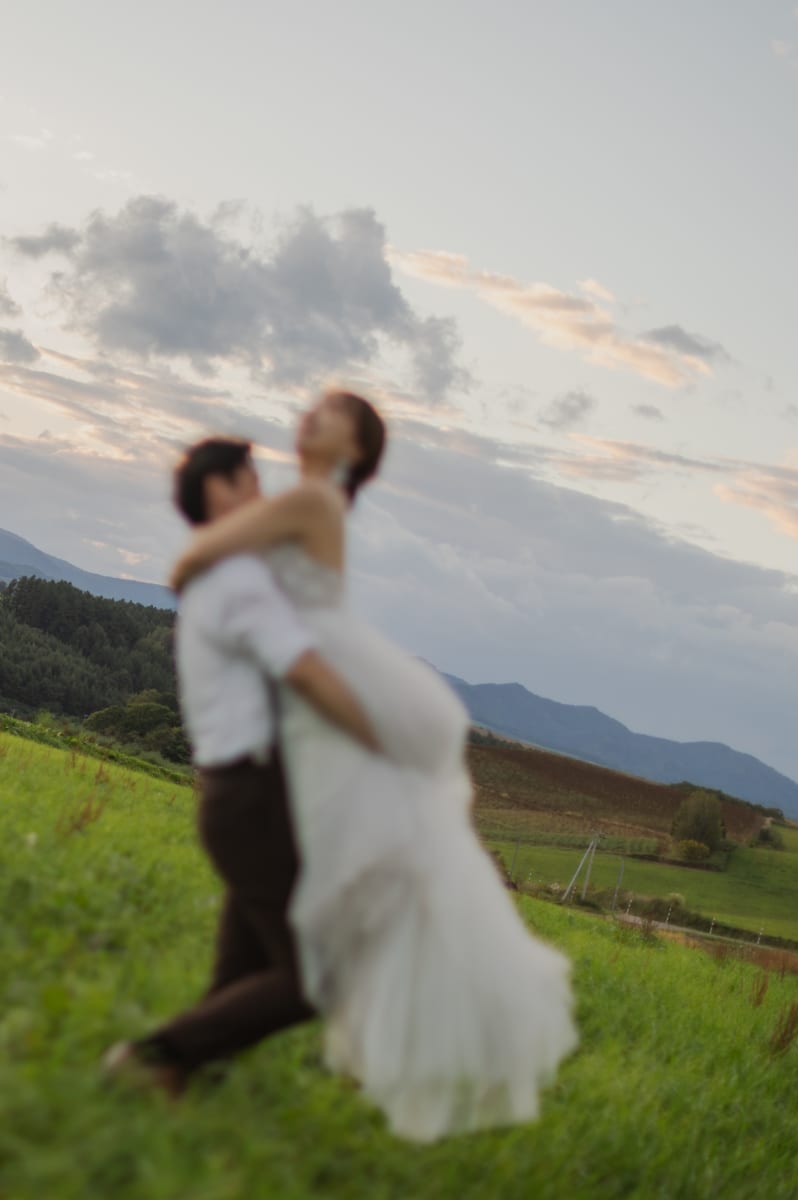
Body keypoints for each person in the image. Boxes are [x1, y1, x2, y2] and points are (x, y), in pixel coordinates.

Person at [169, 390, 577, 1141]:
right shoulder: (309, 502)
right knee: (266, 900)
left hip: (321, 680)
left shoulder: (311, 500)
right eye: (316, 406)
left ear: (353, 451)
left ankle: (170, 1055)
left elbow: (194, 556)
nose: (312, 415)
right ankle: (189, 1057)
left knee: (289, 908)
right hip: (300, 696)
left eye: (334, 415)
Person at [104, 436, 379, 1099]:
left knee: (241, 970)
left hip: (239, 796)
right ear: (219, 488)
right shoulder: (237, 580)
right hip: (254, 799)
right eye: (252, 478)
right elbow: (304, 671)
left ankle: (184, 1081)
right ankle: (149, 1057)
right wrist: (380, 736)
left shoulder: (214, 575)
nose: (263, 492)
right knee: (316, 977)